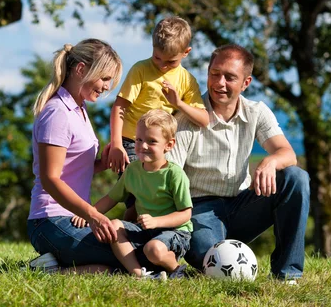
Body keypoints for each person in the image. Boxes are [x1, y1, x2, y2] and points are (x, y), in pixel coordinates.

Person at [166, 44, 310, 282]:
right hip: (198, 210)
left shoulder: (257, 112)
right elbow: (169, 179)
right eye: (214, 74)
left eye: (229, 77)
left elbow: (287, 153)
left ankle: (287, 274)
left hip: (242, 205)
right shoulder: (186, 117)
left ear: (246, 83)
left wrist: (270, 161)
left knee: (296, 178)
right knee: (214, 265)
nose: (219, 83)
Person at [26, 38, 124, 273]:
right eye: (104, 78)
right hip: (49, 221)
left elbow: (73, 167)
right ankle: (54, 269)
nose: (106, 87)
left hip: (70, 218)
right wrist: (93, 214)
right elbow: (51, 179)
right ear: (80, 69)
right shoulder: (57, 113)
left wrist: (104, 162)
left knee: (131, 251)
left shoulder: (79, 109)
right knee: (131, 254)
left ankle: (56, 269)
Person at [73, 109, 193, 279]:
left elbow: (186, 214)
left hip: (175, 232)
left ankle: (176, 270)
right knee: (114, 225)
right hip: (145, 230)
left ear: (169, 145)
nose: (143, 146)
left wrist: (156, 221)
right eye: (139, 139)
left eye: (152, 141)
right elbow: (111, 198)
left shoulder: (174, 174)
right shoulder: (132, 171)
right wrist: (89, 214)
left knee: (154, 250)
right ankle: (139, 274)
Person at [108, 16, 208, 220]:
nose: (162, 66)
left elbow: (204, 120)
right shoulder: (140, 70)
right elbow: (120, 106)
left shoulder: (186, 80)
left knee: (151, 201)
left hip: (159, 147)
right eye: (157, 58)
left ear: (186, 52)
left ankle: (132, 239)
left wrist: (178, 103)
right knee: (137, 199)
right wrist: (116, 143)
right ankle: (123, 238)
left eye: (170, 61)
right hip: (131, 144)